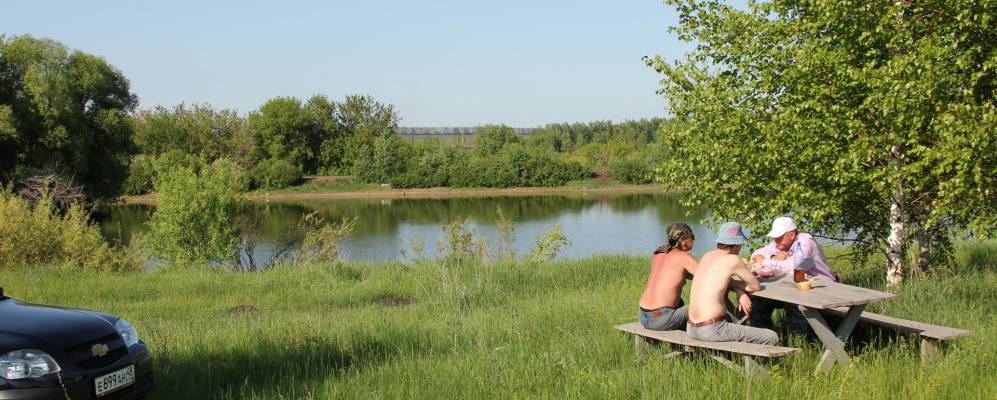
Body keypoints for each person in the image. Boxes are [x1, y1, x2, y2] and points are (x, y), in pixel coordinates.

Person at [686, 222, 779, 345]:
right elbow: (755, 286)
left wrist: (738, 290)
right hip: (712, 329)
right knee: (772, 336)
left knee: (734, 321)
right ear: (737, 244)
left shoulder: (707, 256)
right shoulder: (733, 259)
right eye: (741, 244)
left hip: (691, 328)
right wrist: (740, 288)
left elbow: (721, 280)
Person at [748, 216, 838, 334]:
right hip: (800, 287)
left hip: (825, 289)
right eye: (775, 238)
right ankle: (762, 335)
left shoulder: (805, 241)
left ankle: (800, 340)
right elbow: (756, 256)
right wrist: (773, 257)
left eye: (779, 237)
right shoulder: (781, 243)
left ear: (791, 235)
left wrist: (765, 261)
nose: (775, 241)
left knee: (794, 303)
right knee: (758, 299)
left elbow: (796, 265)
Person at [637, 223, 698, 331]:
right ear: (684, 239)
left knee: (680, 302)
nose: (694, 240)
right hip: (660, 319)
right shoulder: (683, 257)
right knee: (701, 307)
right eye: (693, 237)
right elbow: (708, 276)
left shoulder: (658, 254)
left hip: (643, 315)